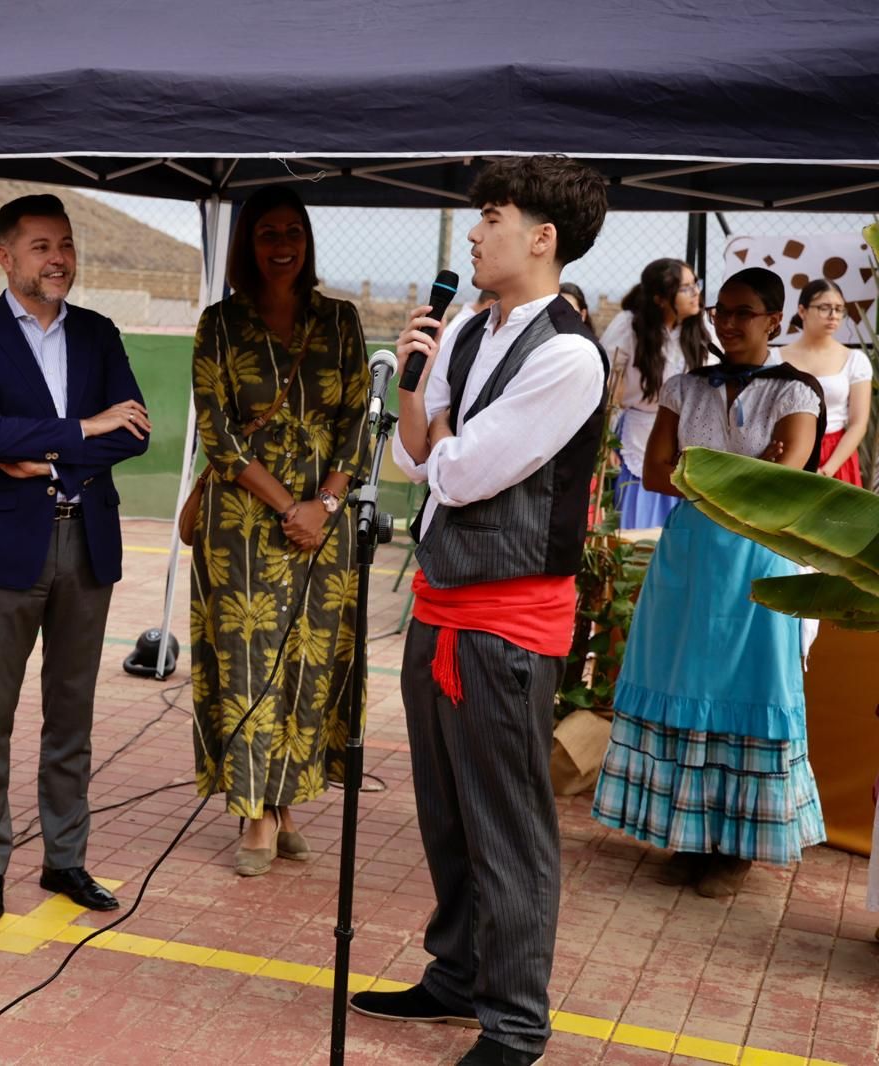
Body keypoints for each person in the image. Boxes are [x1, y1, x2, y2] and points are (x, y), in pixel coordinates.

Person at [350, 155, 610, 1066]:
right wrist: (423, 383)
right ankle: (454, 974)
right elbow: (419, 457)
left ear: (541, 238)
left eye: (490, 217)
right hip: (442, 601)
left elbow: (460, 470)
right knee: (447, 812)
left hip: (506, 620)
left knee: (508, 823)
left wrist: (443, 441)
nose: (472, 232)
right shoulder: (466, 331)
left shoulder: (570, 354)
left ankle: (514, 1024)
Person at [593, 267, 827, 899]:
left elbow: (788, 472)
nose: (726, 322)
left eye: (743, 312)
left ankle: (739, 848)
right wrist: (740, 475)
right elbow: (654, 470)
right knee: (683, 678)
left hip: (758, 561)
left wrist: (705, 475)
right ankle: (689, 831)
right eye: (720, 310)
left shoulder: (795, 391)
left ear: (776, 321)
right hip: (690, 557)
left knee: (749, 684)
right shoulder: (684, 386)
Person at [0, 194, 149, 923]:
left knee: (72, 714)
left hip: (86, 541)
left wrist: (47, 446)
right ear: (5, 257)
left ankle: (65, 859)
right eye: (40, 246)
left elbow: (135, 434)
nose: (57, 257)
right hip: (6, 549)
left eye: (65, 244)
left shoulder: (98, 333)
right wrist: (84, 427)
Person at [185, 184, 369, 876]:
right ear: (247, 245)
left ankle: (288, 799)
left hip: (324, 525)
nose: (282, 243)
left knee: (307, 665)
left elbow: (359, 423)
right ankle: (254, 810)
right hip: (243, 524)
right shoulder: (220, 325)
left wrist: (322, 503)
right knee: (248, 662)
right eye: (267, 233)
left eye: (293, 230)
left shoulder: (342, 322)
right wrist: (288, 506)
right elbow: (219, 436)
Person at [599, 258, 713, 528]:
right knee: (639, 525)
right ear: (660, 298)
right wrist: (605, 442)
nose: (696, 292)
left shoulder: (702, 327)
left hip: (690, 437)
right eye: (685, 288)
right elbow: (610, 389)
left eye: (695, 284)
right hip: (639, 435)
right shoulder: (630, 325)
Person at [781, 279, 870, 486]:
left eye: (839, 309)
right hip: (787, 451)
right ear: (802, 311)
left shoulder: (854, 360)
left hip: (835, 456)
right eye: (824, 308)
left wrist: (827, 470)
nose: (833, 316)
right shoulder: (776, 357)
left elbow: (858, 423)